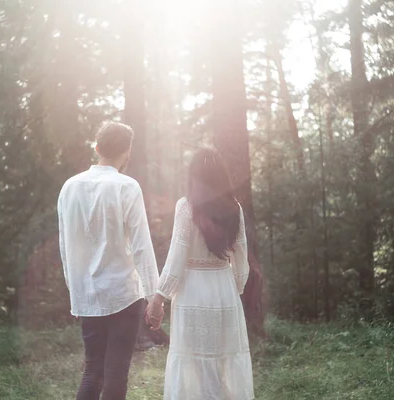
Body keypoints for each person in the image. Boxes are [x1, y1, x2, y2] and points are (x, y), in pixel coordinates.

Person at [58, 122, 161, 400]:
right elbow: (141, 245)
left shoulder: (69, 188)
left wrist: (75, 293)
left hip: (87, 295)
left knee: (93, 370)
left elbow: (66, 247)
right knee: (116, 373)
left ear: (97, 148)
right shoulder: (127, 187)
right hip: (124, 295)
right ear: (127, 151)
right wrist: (154, 296)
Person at [146, 147, 254, 400]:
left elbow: (177, 254)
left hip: (192, 291)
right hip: (224, 290)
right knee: (224, 359)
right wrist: (236, 287)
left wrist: (159, 296)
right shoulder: (234, 208)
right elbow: (241, 254)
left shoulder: (186, 206)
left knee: (192, 360)